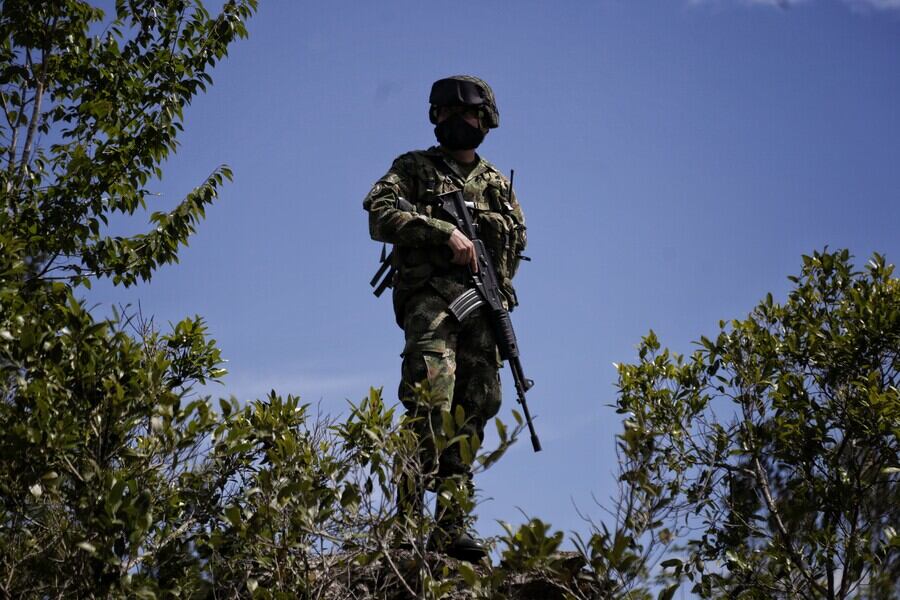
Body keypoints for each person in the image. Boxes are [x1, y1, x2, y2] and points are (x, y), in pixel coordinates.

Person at [363, 75, 526, 562]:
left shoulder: (498, 186)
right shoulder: (414, 168)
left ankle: (450, 527)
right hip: (432, 302)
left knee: (478, 404)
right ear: (435, 118)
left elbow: (514, 246)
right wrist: (441, 232)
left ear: (487, 120)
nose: (459, 121)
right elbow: (378, 211)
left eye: (469, 114)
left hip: (483, 308)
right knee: (429, 401)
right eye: (448, 113)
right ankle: (409, 525)